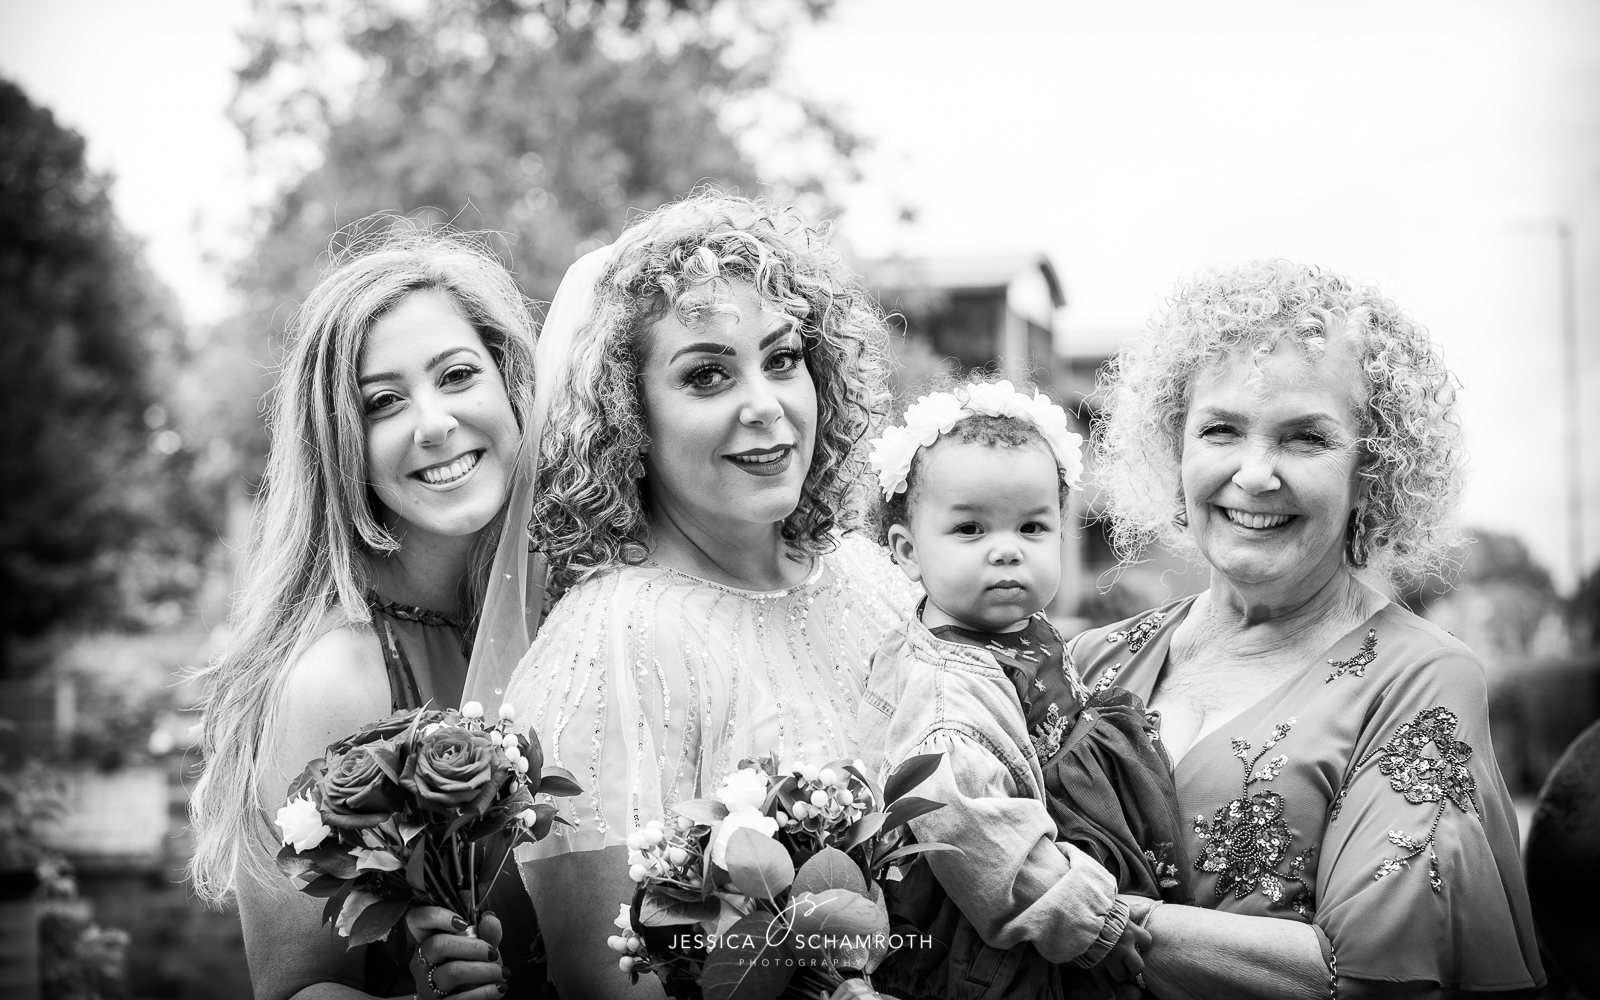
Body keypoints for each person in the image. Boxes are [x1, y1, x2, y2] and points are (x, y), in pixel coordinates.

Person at [1075, 260, 1543, 998]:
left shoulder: (1421, 681)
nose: (1255, 474)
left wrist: (1085, 915)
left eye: (1305, 439)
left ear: (1372, 470)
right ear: (1175, 447)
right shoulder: (1087, 661)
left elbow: (1365, 975)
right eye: (1221, 429)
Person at [500, 190, 918, 998]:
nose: (765, 404)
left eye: (783, 358)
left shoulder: (871, 578)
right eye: (707, 375)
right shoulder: (610, 642)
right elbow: (609, 981)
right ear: (629, 416)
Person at [190, 226, 546, 1000]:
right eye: (383, 401)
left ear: (512, 383)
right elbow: (298, 989)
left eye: (458, 374)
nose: (434, 422)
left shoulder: (572, 614)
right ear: (341, 444)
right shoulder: (336, 680)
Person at [859, 378, 1188, 1000]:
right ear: (907, 551)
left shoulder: (1013, 629)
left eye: (1032, 527)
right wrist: (1087, 924)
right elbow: (978, 835)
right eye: (970, 529)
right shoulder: (946, 692)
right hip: (1018, 928)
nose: (1007, 551)